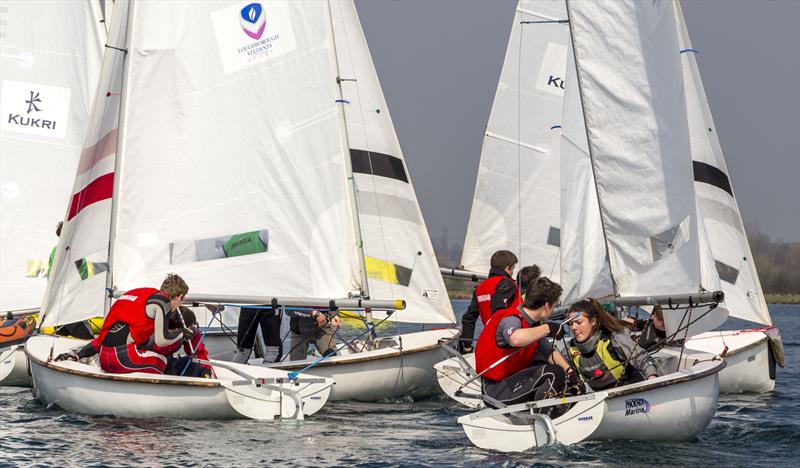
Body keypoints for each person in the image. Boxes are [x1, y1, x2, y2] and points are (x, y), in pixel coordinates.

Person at [55, 273, 192, 375]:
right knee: (164, 361)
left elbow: (101, 339)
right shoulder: (163, 303)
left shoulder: (137, 294)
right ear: (180, 297)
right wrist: (182, 333)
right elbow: (161, 341)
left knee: (147, 350)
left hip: (104, 357)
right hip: (122, 359)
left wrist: (77, 355)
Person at [475, 277, 574, 414]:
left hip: (510, 385)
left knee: (555, 368)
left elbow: (548, 352)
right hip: (495, 392)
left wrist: (571, 374)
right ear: (546, 306)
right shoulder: (512, 319)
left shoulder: (532, 326)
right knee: (553, 372)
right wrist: (547, 328)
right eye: (554, 306)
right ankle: (543, 417)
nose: (554, 311)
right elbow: (515, 338)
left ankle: (555, 408)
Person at [567, 298, 660, 391]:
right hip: (601, 400)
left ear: (593, 322)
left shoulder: (614, 339)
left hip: (632, 395)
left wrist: (652, 377)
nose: (573, 327)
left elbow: (641, 358)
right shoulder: (570, 349)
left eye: (578, 322)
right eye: (570, 324)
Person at [459, 250, 521, 353]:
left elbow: (468, 319)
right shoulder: (507, 284)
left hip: (490, 344)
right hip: (509, 345)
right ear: (507, 268)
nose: (512, 272)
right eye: (513, 268)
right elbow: (498, 312)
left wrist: (467, 346)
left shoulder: (480, 288)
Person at [47, 220, 93, 340]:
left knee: (59, 335)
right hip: (72, 305)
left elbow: (51, 276)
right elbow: (83, 274)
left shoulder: (55, 250)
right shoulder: (73, 250)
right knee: (90, 341)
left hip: (59, 305)